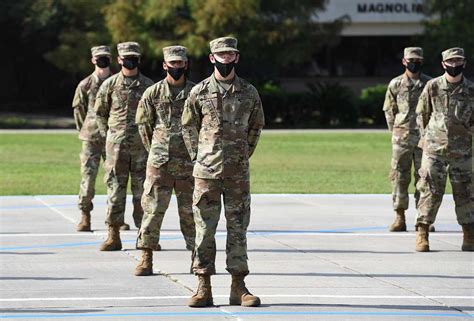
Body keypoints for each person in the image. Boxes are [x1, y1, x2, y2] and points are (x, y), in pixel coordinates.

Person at [182, 36, 265, 307]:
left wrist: (242, 154)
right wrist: (199, 156)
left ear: (237, 57)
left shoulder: (249, 92)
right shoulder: (200, 91)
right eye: (221, 54)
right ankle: (203, 285)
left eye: (230, 54)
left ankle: (238, 286)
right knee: (204, 229)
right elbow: (188, 126)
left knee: (238, 228)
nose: (226, 58)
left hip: (237, 174)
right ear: (212, 58)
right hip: (206, 174)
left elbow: (256, 127)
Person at [134, 45, 196, 276]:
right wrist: (155, 150)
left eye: (180, 63)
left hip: (189, 164)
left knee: (191, 213)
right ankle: (146, 257)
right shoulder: (153, 93)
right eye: (172, 63)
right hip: (159, 163)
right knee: (152, 212)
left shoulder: (196, 92)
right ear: (164, 65)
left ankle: (197, 258)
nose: (176, 67)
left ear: (186, 64)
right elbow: (144, 126)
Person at [94, 42, 154, 251]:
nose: (130, 60)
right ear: (119, 60)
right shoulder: (110, 84)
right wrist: (108, 135)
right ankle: (113, 236)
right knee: (115, 191)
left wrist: (150, 140)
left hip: (142, 150)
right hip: (116, 149)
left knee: (143, 195)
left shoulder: (149, 86)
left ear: (139, 59)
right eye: (126, 57)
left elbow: (157, 117)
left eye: (134, 57)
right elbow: (100, 113)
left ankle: (144, 237)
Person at [415, 47, 473, 252]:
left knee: (465, 192)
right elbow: (422, 115)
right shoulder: (432, 87)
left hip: (462, 152)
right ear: (443, 64)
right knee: (429, 191)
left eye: (459, 62)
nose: (455, 65)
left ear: (464, 64)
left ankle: (469, 234)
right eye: (451, 62)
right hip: (434, 150)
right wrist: (427, 139)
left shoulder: (471, 90)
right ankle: (422, 233)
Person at [382, 47, 433, 232]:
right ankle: (399, 216)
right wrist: (395, 132)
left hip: (424, 139)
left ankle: (424, 220)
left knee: (424, 178)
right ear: (404, 61)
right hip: (401, 139)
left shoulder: (429, 84)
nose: (414, 63)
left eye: (418, 60)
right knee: (398, 177)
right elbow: (389, 110)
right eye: (411, 60)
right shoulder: (395, 84)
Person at [73, 45, 115, 232]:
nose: (102, 60)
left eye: (105, 57)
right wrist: (85, 128)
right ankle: (85, 216)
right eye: (99, 57)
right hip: (91, 138)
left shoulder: (116, 82)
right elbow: (78, 110)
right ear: (93, 60)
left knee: (114, 179)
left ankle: (115, 217)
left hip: (112, 137)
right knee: (88, 178)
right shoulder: (86, 84)